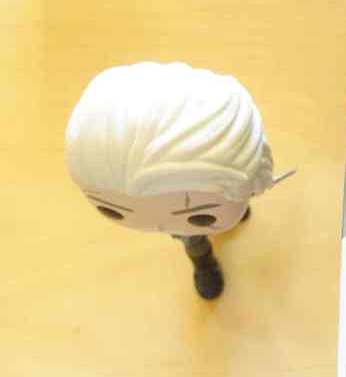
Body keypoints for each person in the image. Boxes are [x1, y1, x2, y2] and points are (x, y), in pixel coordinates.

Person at [65, 61, 284, 299]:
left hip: (235, 188)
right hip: (195, 231)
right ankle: (204, 264)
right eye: (112, 210)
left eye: (201, 216)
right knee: (194, 242)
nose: (159, 226)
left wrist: (236, 196)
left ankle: (228, 208)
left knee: (225, 200)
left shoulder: (234, 167)